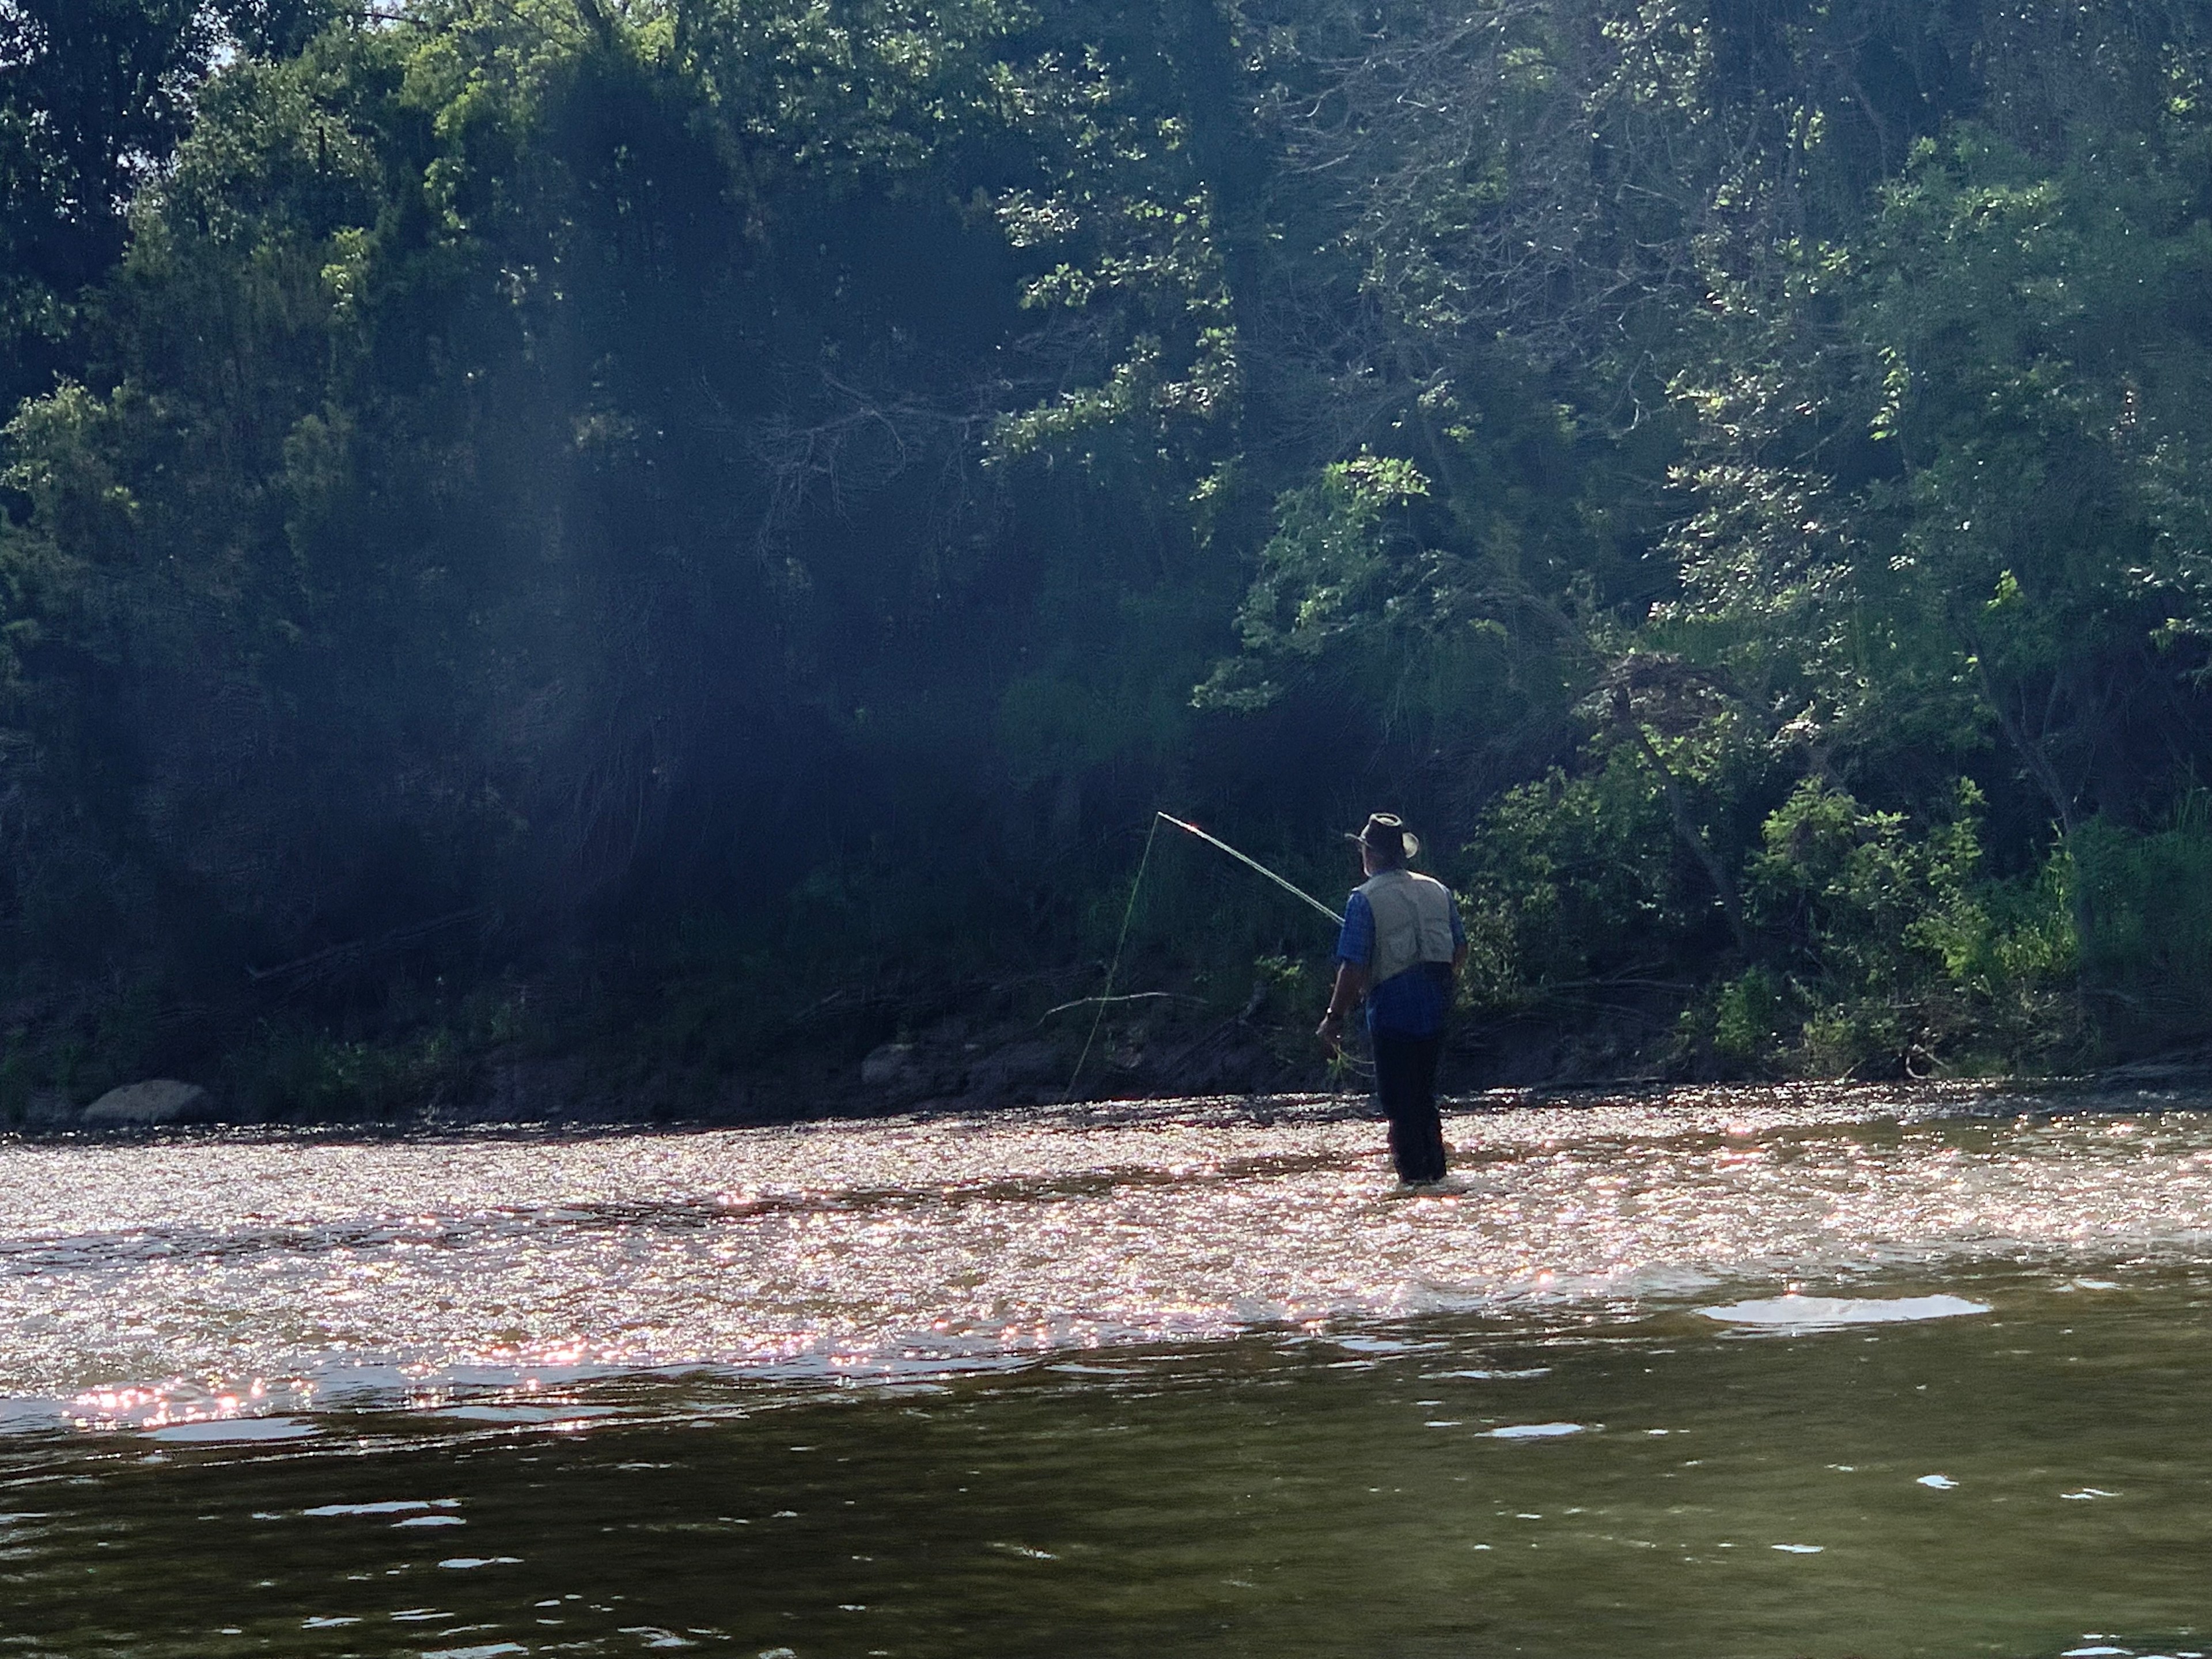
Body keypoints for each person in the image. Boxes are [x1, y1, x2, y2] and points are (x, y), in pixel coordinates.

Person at [1317, 812, 1467, 1185]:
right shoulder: (1438, 890)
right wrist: (1442, 988)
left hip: (1392, 1018)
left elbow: (1352, 968)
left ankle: (1415, 1186)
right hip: (1435, 1013)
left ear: (1372, 854)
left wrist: (1334, 1019)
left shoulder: (1362, 900)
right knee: (1424, 1100)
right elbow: (1460, 949)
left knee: (1400, 1107)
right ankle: (1436, 1177)